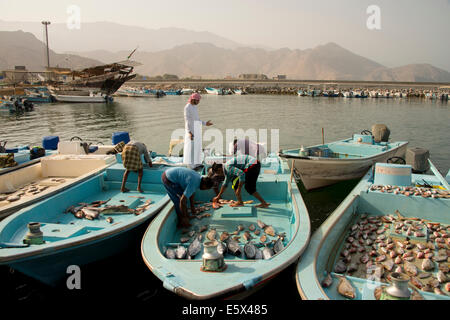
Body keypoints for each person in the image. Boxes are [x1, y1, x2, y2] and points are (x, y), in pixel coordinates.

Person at [183, 93, 213, 169]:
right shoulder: (187, 107)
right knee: (191, 148)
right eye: (198, 100)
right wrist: (189, 132)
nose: (199, 102)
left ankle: (197, 163)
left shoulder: (194, 107)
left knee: (197, 147)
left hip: (196, 129)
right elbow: (187, 121)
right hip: (190, 131)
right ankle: (191, 166)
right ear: (193, 99)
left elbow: (197, 120)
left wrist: (205, 123)